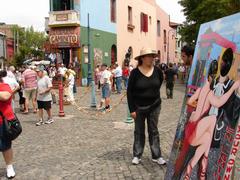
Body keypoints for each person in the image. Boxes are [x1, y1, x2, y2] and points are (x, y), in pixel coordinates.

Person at [173, 60, 240, 179]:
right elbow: (219, 103)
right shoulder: (210, 93)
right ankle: (203, 163)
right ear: (211, 77)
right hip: (197, 130)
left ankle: (192, 167)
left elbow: (189, 101)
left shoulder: (200, 89)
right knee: (213, 118)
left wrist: (195, 110)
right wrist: (232, 88)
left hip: (191, 129)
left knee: (208, 138)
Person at [127, 48, 166, 165]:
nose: (151, 58)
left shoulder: (158, 71)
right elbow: (129, 92)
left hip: (154, 106)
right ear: (142, 58)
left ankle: (156, 155)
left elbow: (158, 84)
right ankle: (137, 155)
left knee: (154, 131)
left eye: (152, 56)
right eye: (148, 56)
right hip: (138, 107)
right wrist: (132, 109)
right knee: (139, 131)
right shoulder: (134, 73)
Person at [0, 70, 16, 179]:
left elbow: (6, 96)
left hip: (2, 122)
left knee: (5, 145)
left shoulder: (4, 86)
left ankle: (9, 166)